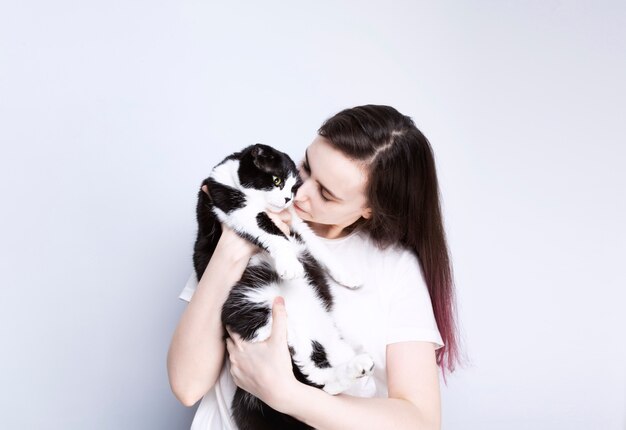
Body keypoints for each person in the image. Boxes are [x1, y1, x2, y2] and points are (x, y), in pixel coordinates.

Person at [167, 104, 461, 429]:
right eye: (305, 166)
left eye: (326, 193)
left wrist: (286, 394)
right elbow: (187, 385)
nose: (299, 194)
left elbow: (420, 422)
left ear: (370, 210)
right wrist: (233, 246)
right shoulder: (246, 214)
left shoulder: (395, 269)